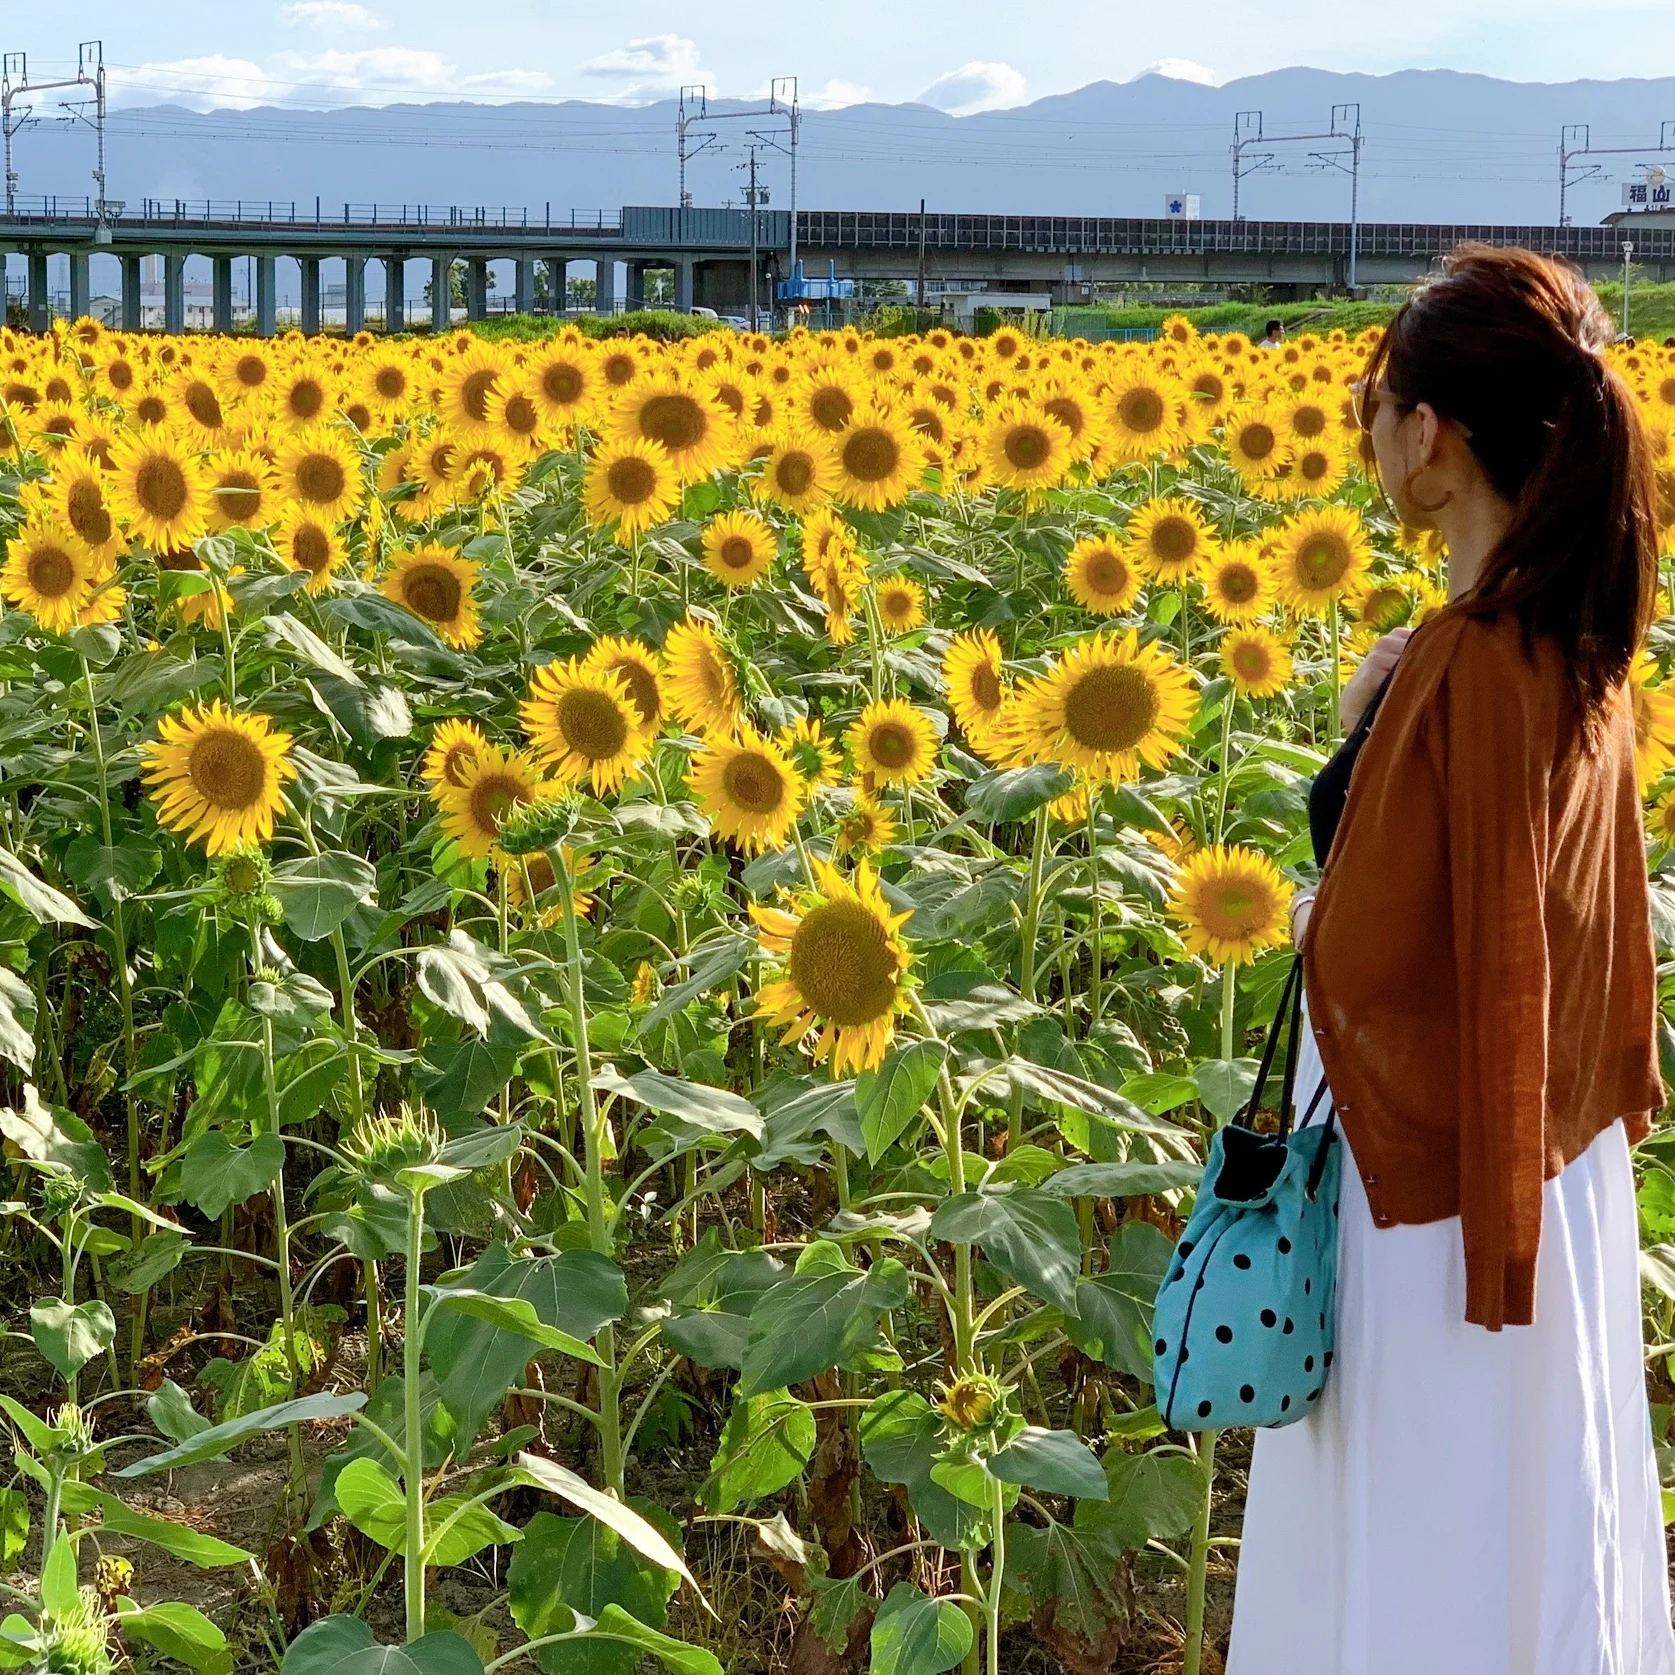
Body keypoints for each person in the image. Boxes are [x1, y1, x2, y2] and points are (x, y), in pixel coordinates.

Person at [1228, 245, 1675, 1675]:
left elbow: (1379, 948)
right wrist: (1376, 710)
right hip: (1543, 1165)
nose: (1363, 429)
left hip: (1430, 1199)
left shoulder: (1470, 662)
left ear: (1428, 437)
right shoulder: (1571, 642)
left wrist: (1309, 905)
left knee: (1422, 1527)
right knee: (1535, 1516)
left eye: (1374, 402)